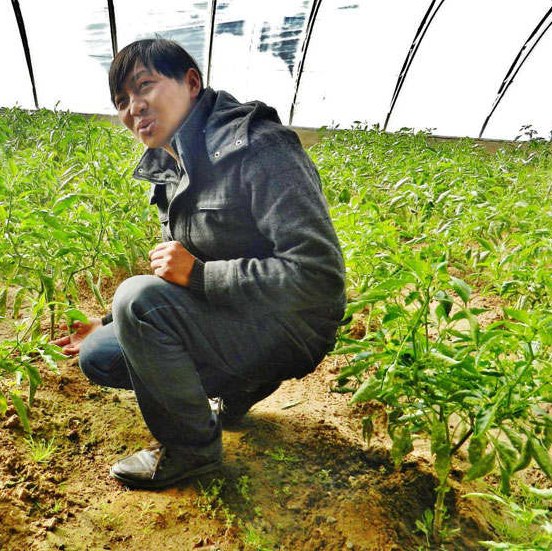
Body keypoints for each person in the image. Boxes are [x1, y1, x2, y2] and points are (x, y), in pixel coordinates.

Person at [51, 39, 346, 489]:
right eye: (122, 101)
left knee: (137, 296)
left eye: (145, 85)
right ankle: (239, 387)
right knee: (101, 354)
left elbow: (319, 277)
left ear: (192, 83)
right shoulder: (171, 168)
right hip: (237, 315)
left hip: (292, 327)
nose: (134, 107)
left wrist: (201, 275)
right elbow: (175, 272)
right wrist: (108, 320)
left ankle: (192, 450)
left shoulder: (261, 147)